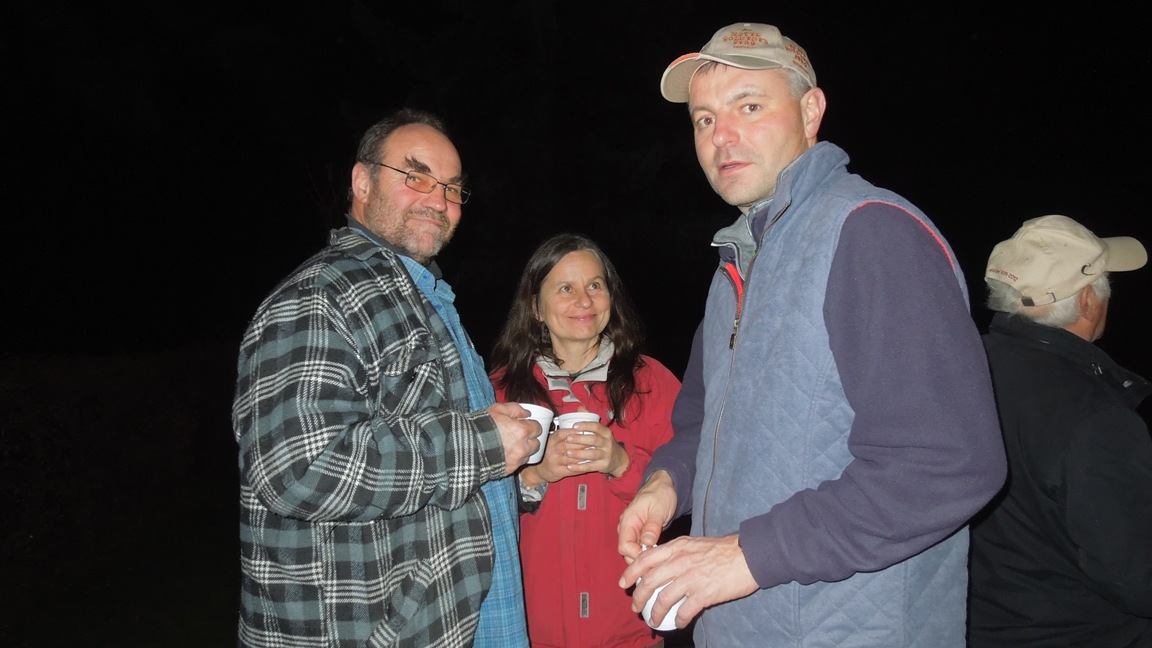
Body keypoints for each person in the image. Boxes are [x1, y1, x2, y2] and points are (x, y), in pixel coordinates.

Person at [616, 22, 1007, 646]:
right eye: (704, 119)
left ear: (810, 111)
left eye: (749, 106)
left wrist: (743, 555)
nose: (722, 136)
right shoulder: (735, 268)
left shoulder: (871, 234)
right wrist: (667, 484)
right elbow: (701, 422)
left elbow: (949, 464)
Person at [232, 108, 537, 647]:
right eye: (416, 176)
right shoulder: (320, 295)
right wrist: (483, 442)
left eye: (452, 188)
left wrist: (522, 479)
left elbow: (449, 470)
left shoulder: (427, 300)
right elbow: (299, 468)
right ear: (362, 181)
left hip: (461, 618)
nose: (438, 200)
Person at [488, 233, 681, 647]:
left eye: (595, 285)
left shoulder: (652, 382)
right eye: (565, 288)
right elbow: (468, 505)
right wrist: (534, 476)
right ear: (536, 308)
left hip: (630, 632)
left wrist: (621, 464)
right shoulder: (499, 392)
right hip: (527, 633)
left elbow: (696, 485)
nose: (584, 300)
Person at [969, 214, 1152, 646]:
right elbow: (1138, 579)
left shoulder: (961, 370)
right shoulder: (1095, 417)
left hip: (975, 627)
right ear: (1087, 301)